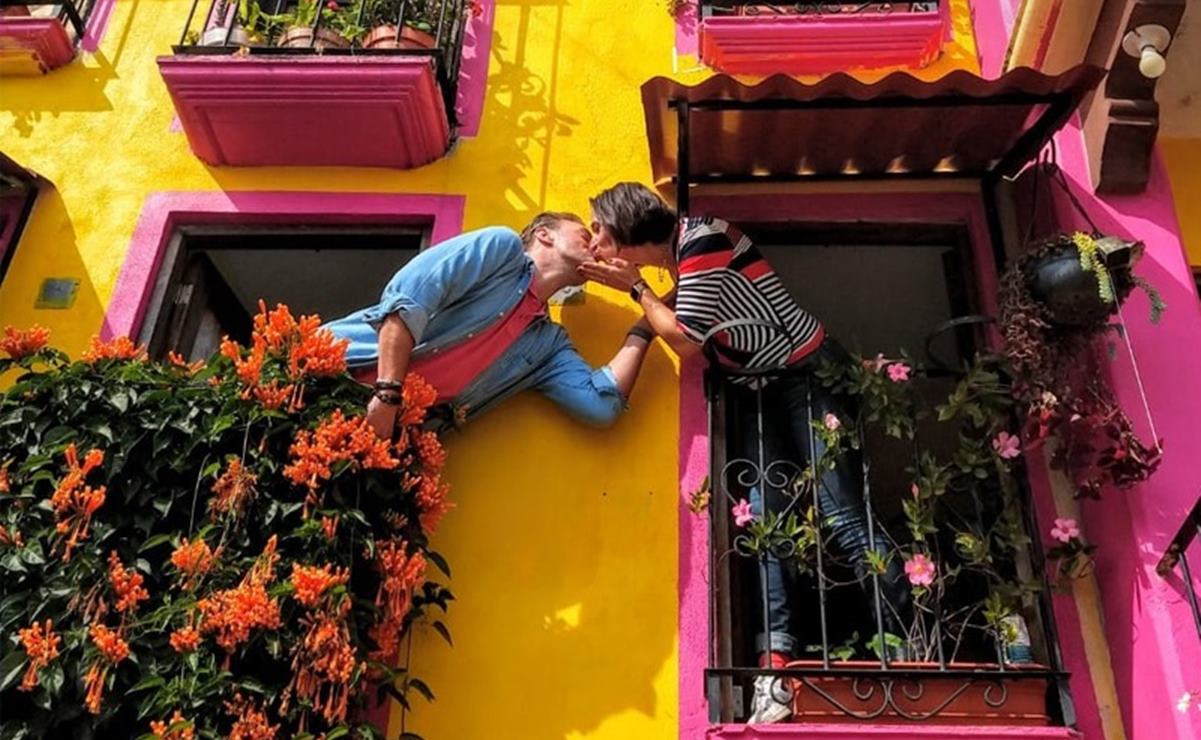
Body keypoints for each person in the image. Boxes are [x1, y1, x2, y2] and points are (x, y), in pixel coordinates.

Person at [578, 183, 910, 724]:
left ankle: (903, 643)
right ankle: (774, 668)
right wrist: (642, 298)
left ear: (623, 229)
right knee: (768, 523)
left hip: (807, 378)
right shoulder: (682, 264)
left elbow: (685, 339)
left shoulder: (702, 238)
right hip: (758, 387)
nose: (594, 239)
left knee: (842, 512)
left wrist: (636, 288)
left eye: (598, 228)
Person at [324, 212, 655, 438]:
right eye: (585, 234)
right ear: (544, 235)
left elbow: (600, 406)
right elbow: (407, 301)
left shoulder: (546, 343)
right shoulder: (501, 249)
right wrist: (388, 394)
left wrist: (648, 320)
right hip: (323, 372)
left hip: (374, 433)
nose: (595, 246)